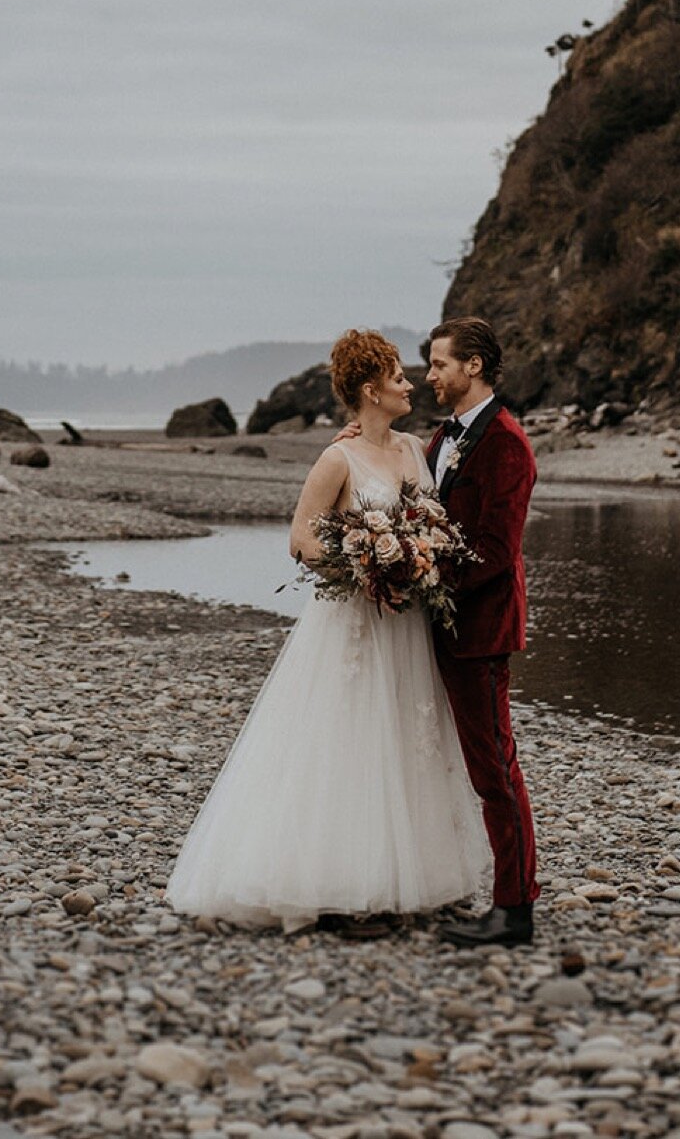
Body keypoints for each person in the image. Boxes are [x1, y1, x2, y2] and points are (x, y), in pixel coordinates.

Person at [164, 329, 489, 932]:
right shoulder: (337, 458)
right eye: (397, 377)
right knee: (352, 739)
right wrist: (365, 565)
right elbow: (302, 540)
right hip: (357, 623)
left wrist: (414, 559)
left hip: (406, 622)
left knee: (407, 737)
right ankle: (344, 884)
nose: (410, 383)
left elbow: (433, 523)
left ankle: (418, 876)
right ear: (371, 389)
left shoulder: (416, 447)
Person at [422, 316, 540, 947]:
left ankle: (514, 910)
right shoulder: (443, 439)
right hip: (440, 627)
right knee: (461, 764)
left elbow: (496, 548)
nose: (430, 375)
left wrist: (425, 580)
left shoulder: (508, 444)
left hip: (480, 630)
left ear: (473, 367)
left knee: (495, 770)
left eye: (440, 364)